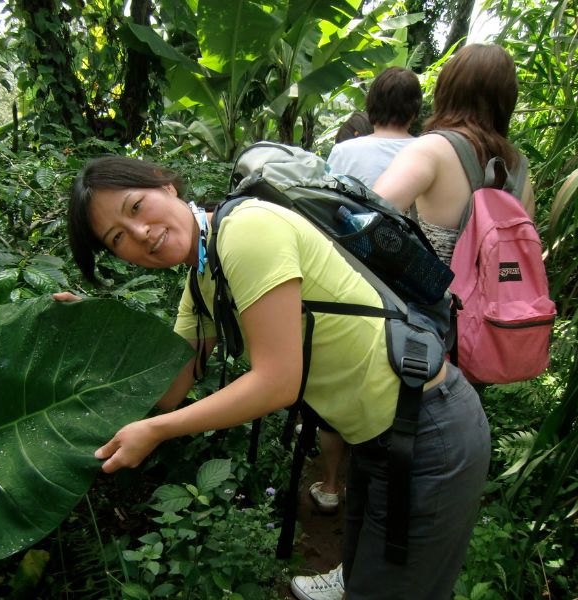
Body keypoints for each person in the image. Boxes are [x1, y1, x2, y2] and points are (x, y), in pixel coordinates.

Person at [57, 152, 491, 600]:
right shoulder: (202, 281)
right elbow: (169, 390)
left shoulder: (247, 231)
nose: (140, 233)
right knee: (365, 578)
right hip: (378, 442)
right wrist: (102, 330)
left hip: (427, 433)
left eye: (135, 207)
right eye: (118, 238)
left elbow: (277, 382)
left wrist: (157, 431)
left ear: (164, 185)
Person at [293, 42, 533, 600]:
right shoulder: (520, 168)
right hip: (477, 338)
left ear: (447, 90)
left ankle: (358, 575)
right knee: (436, 464)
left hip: (419, 336)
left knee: (388, 462)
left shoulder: (435, 149)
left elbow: (360, 221)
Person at [302, 66, 424, 518]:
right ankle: (380, 489)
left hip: (350, 282)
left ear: (371, 106)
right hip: (408, 287)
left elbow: (326, 213)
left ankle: (332, 485)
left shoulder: (345, 151)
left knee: (342, 380)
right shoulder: (429, 151)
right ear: (415, 109)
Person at [372, 43, 535, 266]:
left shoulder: (431, 150)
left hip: (430, 288)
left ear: (446, 89)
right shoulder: (520, 173)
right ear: (507, 101)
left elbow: (365, 218)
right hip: (499, 290)